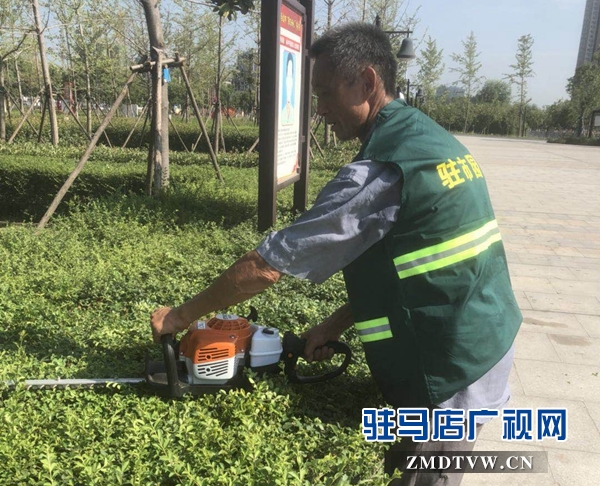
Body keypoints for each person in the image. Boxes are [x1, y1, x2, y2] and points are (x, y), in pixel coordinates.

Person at [151, 22, 522, 486]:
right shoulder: (427, 139)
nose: (320, 110)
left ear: (367, 82)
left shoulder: (381, 170)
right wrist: (331, 326)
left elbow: (266, 268)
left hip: (452, 365)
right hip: (481, 327)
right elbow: (414, 267)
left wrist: (180, 317)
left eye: (326, 94)